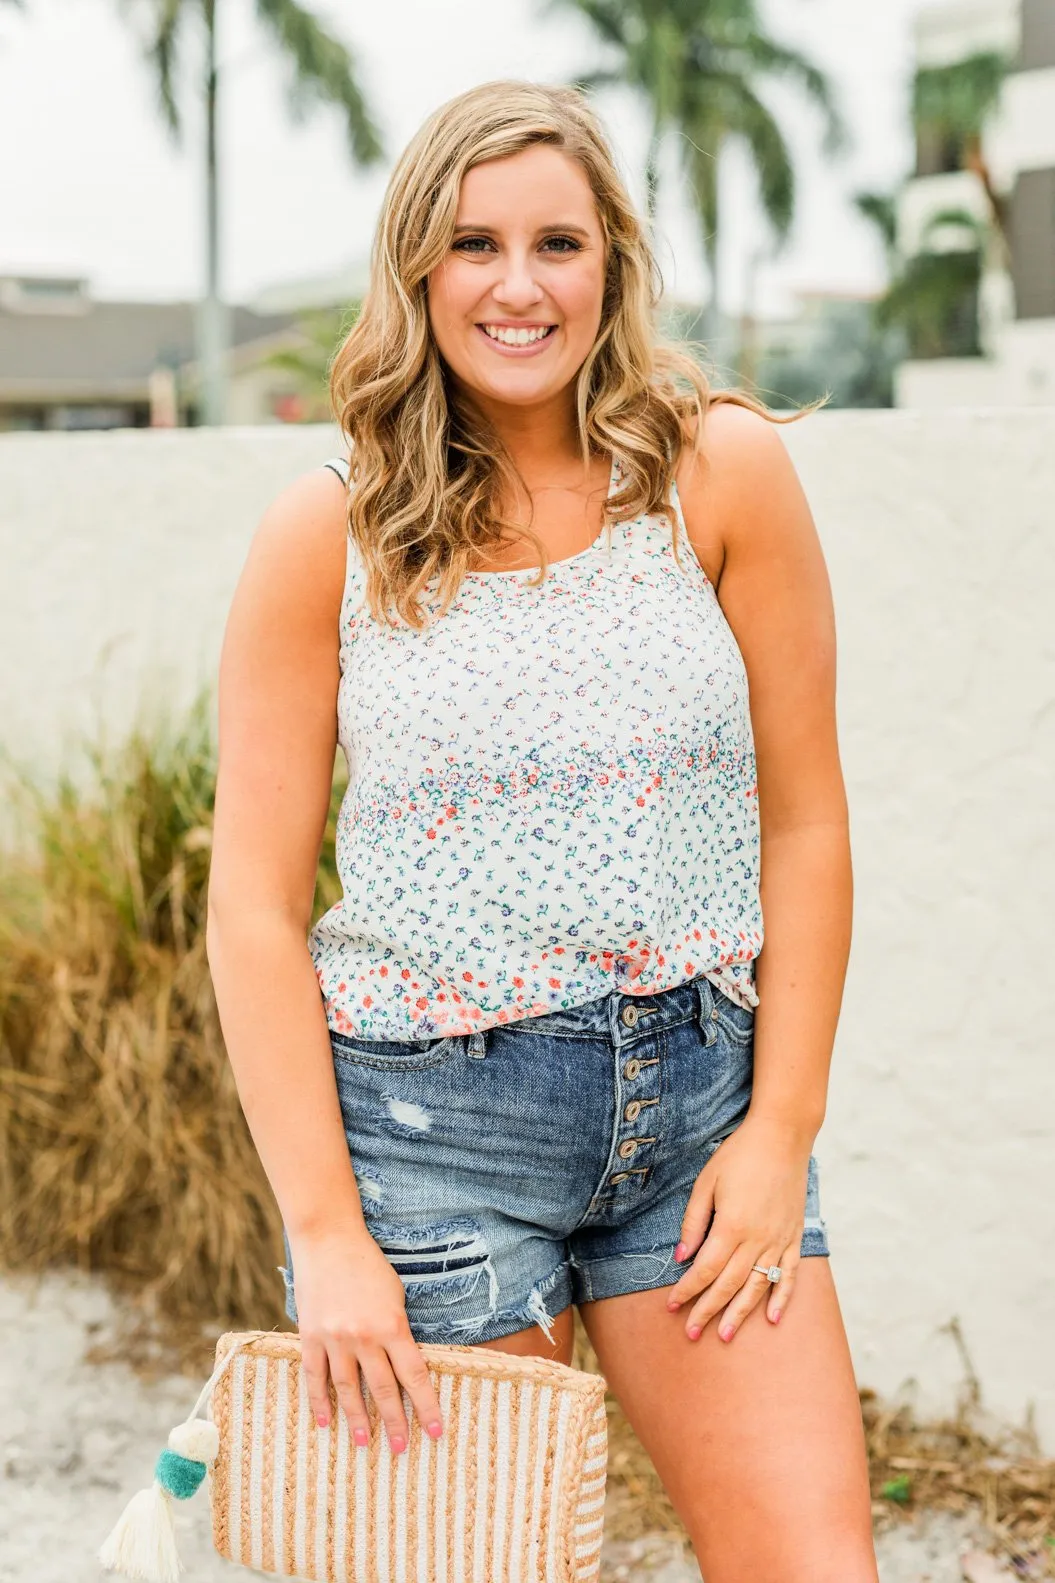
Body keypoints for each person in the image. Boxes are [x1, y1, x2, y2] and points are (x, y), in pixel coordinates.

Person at [206, 78, 878, 1583]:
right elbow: (251, 905)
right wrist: (327, 1237)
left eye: (557, 243)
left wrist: (782, 1128)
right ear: (416, 272)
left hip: (699, 1121)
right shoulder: (329, 533)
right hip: (432, 1148)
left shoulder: (720, 476)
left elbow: (808, 820)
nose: (517, 285)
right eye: (474, 245)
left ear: (611, 267)